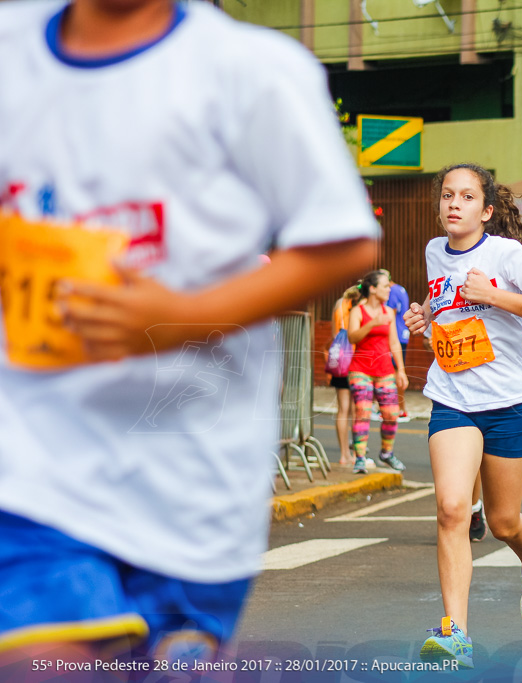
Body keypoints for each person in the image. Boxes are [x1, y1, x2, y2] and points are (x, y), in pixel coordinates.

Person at [0, 0, 379, 669]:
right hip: (32, 462)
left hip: (188, 477)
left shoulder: (249, 72)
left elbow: (341, 241)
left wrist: (180, 318)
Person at [405, 163, 522, 668]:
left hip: (508, 404)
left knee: (502, 522)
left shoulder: (507, 254)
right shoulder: (435, 251)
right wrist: (425, 318)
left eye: (467, 197)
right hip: (452, 397)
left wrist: (493, 295)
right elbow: (450, 312)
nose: (455, 204)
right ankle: (455, 633)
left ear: (487, 209)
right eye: (448, 196)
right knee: (453, 509)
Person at [348, 270, 409, 474]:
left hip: (385, 370)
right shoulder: (358, 311)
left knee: (391, 414)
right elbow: (352, 337)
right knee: (363, 411)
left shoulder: (388, 312)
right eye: (385, 286)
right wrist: (372, 324)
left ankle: (386, 453)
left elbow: (394, 342)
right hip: (360, 369)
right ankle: (360, 458)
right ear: (373, 289)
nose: (388, 289)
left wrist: (400, 370)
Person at [331, 285, 363, 466]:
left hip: (340, 358)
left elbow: (333, 333)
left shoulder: (339, 304)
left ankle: (344, 454)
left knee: (342, 409)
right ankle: (355, 454)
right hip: (356, 359)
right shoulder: (361, 307)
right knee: (355, 409)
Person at [386, 275, 413, 422]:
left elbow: (391, 311)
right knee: (397, 370)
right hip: (402, 333)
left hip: (395, 334)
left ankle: (400, 409)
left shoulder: (392, 290)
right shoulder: (401, 289)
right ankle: (400, 408)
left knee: (396, 371)